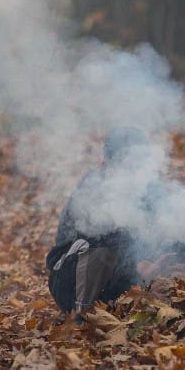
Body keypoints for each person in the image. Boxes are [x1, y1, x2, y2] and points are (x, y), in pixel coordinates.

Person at [47, 126, 155, 315]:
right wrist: (138, 263)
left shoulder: (146, 189)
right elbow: (107, 243)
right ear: (107, 163)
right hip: (70, 280)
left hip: (118, 283)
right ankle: (82, 314)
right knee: (101, 251)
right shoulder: (92, 189)